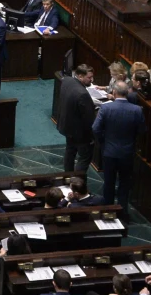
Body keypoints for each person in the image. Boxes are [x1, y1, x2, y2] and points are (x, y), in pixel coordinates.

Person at [92, 81, 144, 210]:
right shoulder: (136, 110)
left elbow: (95, 128)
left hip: (109, 151)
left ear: (114, 93)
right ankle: (122, 211)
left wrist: (103, 141)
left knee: (109, 182)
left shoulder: (106, 108)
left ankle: (108, 210)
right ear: (127, 93)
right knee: (124, 183)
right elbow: (142, 130)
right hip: (127, 152)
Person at [56, 64, 97, 173]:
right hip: (81, 134)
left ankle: (68, 178)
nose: (92, 80)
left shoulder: (67, 81)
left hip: (67, 126)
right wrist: (92, 136)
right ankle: (78, 182)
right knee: (84, 159)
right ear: (80, 76)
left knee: (70, 152)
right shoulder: (83, 94)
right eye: (89, 77)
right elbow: (88, 119)